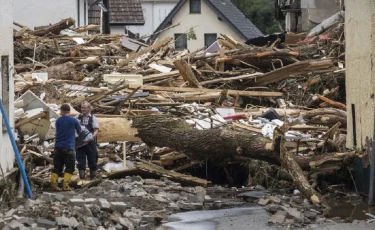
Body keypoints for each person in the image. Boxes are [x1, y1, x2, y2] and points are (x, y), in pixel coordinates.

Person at [50, 104, 81, 191]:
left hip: (58, 147)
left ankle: (53, 184)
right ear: (69, 111)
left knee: (57, 167)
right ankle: (65, 185)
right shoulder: (74, 120)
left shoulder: (58, 121)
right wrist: (77, 123)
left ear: (62, 111)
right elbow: (79, 131)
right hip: (69, 147)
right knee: (70, 167)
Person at [75, 101, 99, 180]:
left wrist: (91, 137)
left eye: (84, 108)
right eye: (82, 108)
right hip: (80, 143)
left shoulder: (93, 118)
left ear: (89, 109)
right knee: (80, 159)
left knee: (92, 159)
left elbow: (96, 130)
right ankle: (82, 178)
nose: (82, 109)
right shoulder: (77, 117)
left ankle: (93, 178)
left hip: (90, 142)